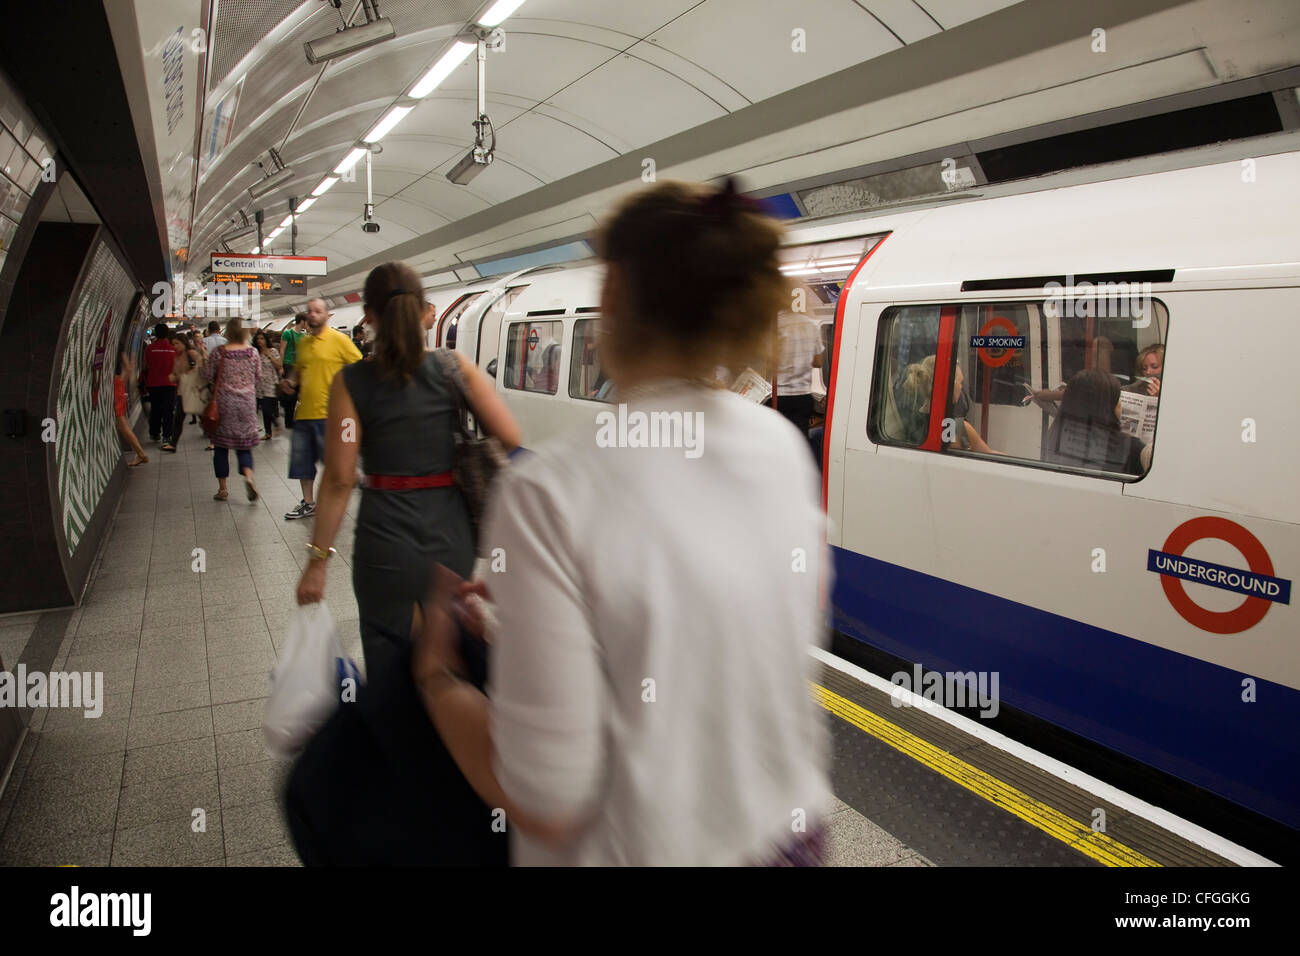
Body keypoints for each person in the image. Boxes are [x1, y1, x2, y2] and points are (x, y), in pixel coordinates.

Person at [410, 179, 831, 866]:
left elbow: (547, 798)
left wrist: (437, 678)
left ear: (613, 302)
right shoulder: (780, 447)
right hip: (789, 842)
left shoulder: (549, 491)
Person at [295, 262, 520, 674]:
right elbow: (509, 436)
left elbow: (341, 478)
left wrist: (317, 561)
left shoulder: (349, 383)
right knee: (449, 651)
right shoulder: (455, 367)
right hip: (451, 535)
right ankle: (451, 722)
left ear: (369, 316)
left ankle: (394, 727)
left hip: (385, 541)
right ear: (424, 311)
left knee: (389, 658)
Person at [280, 298, 362, 520]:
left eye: (318, 311)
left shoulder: (339, 340)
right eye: (310, 311)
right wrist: (291, 382)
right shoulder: (304, 344)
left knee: (334, 463)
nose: (313, 315)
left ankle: (342, 493)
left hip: (331, 414)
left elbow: (360, 367)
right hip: (304, 412)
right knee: (302, 463)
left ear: (327, 315)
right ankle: (308, 502)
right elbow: (298, 371)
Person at [202, 317, 262, 501]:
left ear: (227, 331)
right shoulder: (253, 352)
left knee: (221, 447)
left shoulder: (219, 353)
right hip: (246, 403)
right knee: (244, 446)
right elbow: (258, 377)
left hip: (224, 404)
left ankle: (223, 489)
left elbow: (207, 375)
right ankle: (249, 477)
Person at [1044, 368, 1146, 474]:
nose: (1120, 404)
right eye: (1117, 399)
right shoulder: (1130, 448)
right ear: (1107, 407)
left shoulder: (1057, 435)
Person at [772, 307, 824, 436]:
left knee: (777, 437)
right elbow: (818, 362)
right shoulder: (811, 324)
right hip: (802, 396)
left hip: (779, 395)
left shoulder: (774, 324)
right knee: (799, 438)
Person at [142, 322, 177, 444]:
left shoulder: (149, 348)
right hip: (170, 385)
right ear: (167, 334)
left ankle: (155, 433)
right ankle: (167, 436)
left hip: (154, 384)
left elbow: (145, 367)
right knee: (169, 410)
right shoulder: (173, 350)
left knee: (155, 409)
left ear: (155, 334)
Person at [113, 350, 147, 467]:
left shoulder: (115, 353)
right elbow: (128, 367)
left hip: (116, 387)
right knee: (123, 425)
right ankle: (140, 453)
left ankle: (141, 454)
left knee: (123, 425)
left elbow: (127, 368)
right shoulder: (117, 350)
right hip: (119, 386)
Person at [279, 313, 307, 430]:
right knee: (290, 396)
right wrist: (280, 366)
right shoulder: (287, 333)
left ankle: (299, 419)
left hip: (299, 367)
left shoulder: (303, 336)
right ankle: (289, 422)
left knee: (301, 394)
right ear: (302, 321)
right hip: (288, 365)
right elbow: (282, 349)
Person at [252, 330, 282, 440]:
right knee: (263, 410)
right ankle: (268, 432)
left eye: (262, 339)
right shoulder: (254, 353)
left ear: (266, 340)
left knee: (267, 409)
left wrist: (269, 356)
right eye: (258, 339)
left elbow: (279, 365)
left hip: (271, 384)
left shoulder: (273, 351)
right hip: (259, 385)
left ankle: (276, 424)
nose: (259, 341)